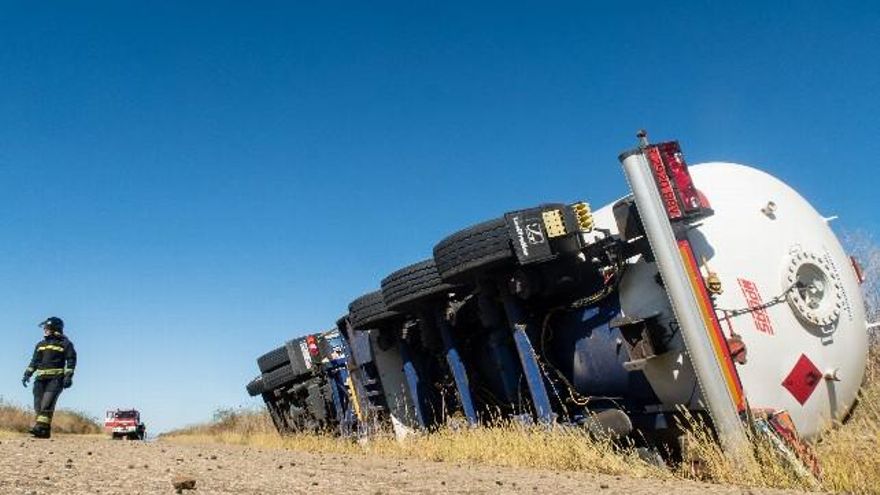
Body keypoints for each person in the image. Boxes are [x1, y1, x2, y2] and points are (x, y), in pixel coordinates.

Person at [21, 317, 77, 439]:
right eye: (45, 328)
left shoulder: (65, 344)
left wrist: (68, 376)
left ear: (55, 329)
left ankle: (40, 427)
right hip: (40, 380)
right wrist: (27, 374)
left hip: (55, 380)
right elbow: (34, 361)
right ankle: (44, 431)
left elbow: (71, 360)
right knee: (38, 406)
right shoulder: (40, 345)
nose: (45, 330)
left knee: (46, 405)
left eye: (47, 328)